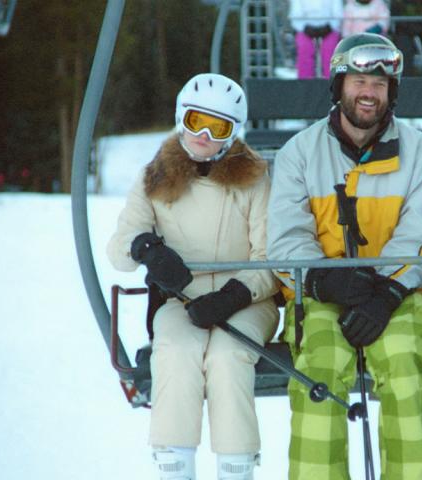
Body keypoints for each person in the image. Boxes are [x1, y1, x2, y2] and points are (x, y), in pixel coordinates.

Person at [267, 33, 422, 480]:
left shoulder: (418, 153)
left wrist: (383, 293)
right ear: (339, 84)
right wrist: (324, 280)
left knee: (405, 366)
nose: (369, 93)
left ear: (392, 92)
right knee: (318, 376)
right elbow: (285, 238)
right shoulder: (300, 154)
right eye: (359, 80)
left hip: (400, 296)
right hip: (321, 297)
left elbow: (421, 238)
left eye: (380, 85)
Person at [106, 73, 279, 480]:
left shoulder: (254, 179)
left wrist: (235, 295)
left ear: (233, 133)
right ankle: (175, 466)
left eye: (216, 127)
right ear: (181, 118)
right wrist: (146, 248)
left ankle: (236, 469)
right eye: (195, 120)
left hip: (248, 298)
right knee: (177, 352)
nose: (202, 135)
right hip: (179, 297)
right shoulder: (155, 176)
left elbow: (270, 257)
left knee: (227, 356)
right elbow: (119, 247)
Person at [290, 0, 344, 79]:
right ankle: (305, 84)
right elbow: (295, 15)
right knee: (304, 48)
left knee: (331, 50)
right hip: (305, 28)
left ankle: (332, 82)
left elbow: (338, 14)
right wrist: (305, 28)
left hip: (329, 27)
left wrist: (329, 27)